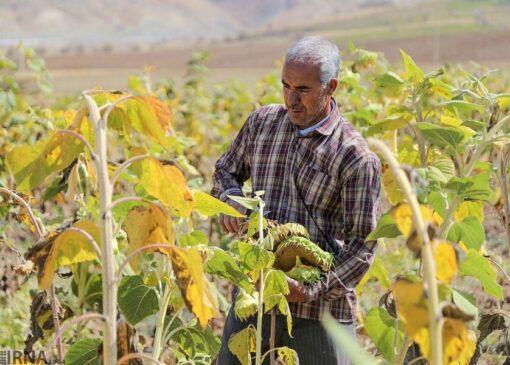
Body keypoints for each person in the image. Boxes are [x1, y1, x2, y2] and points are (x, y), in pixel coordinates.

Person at [211, 36, 381, 365]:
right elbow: (224, 171)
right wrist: (230, 198)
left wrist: (311, 289)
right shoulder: (262, 124)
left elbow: (363, 246)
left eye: (302, 89)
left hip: (319, 313)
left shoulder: (354, 157)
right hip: (255, 297)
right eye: (285, 86)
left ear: (330, 87)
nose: (291, 99)